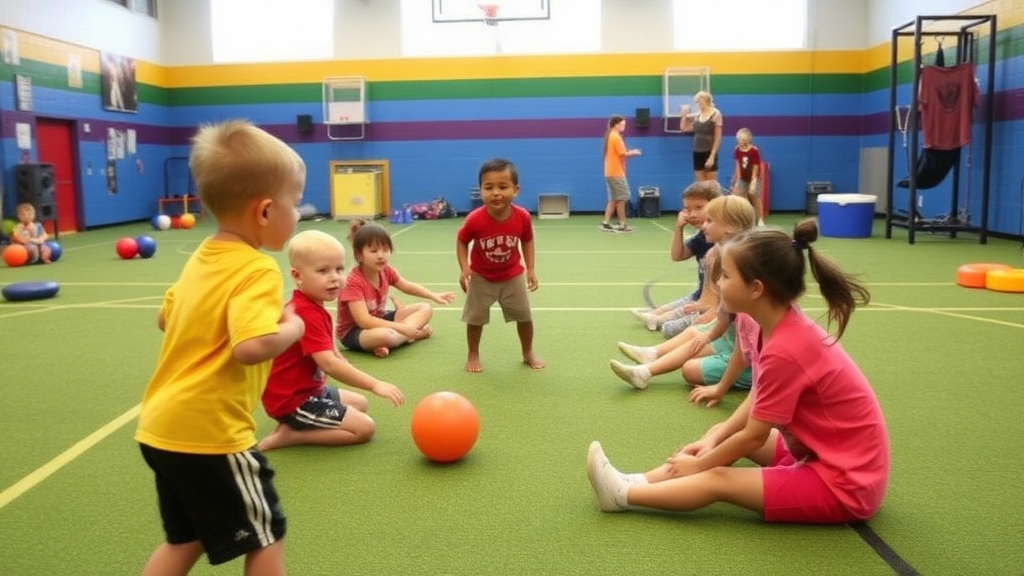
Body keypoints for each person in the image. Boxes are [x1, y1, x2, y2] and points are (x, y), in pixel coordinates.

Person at [587, 219, 889, 526]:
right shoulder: (775, 326)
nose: (718, 284)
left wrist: (701, 464)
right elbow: (761, 396)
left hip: (845, 484)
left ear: (756, 288)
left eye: (726, 276)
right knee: (718, 439)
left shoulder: (788, 347)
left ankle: (622, 496)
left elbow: (754, 438)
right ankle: (637, 480)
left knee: (717, 477)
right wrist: (716, 436)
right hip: (818, 452)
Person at [135, 119, 306, 575]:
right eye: (296, 202)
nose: (300, 212)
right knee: (267, 533)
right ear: (266, 212)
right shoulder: (257, 269)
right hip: (209, 433)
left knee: (185, 538)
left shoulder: (202, 257)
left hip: (159, 428)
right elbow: (251, 347)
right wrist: (293, 326)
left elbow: (164, 317)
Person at [260, 230, 406, 452]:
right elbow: (329, 363)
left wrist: (347, 367)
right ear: (297, 276)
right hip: (293, 402)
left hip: (311, 390)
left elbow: (332, 352)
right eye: (322, 271)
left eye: (339, 269)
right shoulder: (304, 313)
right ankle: (293, 434)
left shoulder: (313, 307)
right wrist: (375, 384)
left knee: (360, 403)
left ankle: (301, 425)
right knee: (364, 429)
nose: (334, 277)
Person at [612, 196, 756, 389]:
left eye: (710, 221)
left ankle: (650, 364)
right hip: (731, 337)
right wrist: (709, 332)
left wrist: (720, 388)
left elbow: (742, 340)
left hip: (745, 349)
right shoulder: (718, 254)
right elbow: (721, 310)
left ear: (730, 227)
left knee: (690, 368)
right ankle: (645, 367)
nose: (704, 225)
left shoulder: (743, 266)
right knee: (694, 337)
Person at [457, 157, 544, 372]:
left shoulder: (522, 217)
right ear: (481, 190)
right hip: (481, 277)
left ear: (516, 190)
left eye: (503, 186)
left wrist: (531, 269)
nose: (495, 192)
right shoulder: (475, 219)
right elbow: (461, 241)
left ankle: (527, 352)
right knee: (475, 319)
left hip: (512, 275)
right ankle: (473, 353)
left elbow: (527, 240)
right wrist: (464, 268)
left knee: (524, 317)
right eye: (489, 187)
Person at [336, 220, 456, 358]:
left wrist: (433, 295)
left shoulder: (386, 271)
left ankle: (393, 340)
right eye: (373, 251)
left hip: (380, 319)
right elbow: (364, 321)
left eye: (385, 249)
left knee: (425, 308)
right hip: (355, 332)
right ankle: (411, 336)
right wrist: (402, 328)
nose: (381, 255)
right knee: (385, 335)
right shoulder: (353, 282)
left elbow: (407, 286)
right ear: (359, 255)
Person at [630, 181, 720, 334]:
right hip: (700, 295)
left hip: (716, 302)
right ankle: (655, 317)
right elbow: (677, 255)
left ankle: (657, 320)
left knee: (669, 329)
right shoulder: (702, 237)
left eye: (699, 207)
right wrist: (678, 228)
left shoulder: (721, 240)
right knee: (666, 310)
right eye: (687, 209)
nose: (692, 214)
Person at [600, 115, 642, 233]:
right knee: (622, 198)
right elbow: (623, 154)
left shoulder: (611, 136)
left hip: (610, 172)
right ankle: (622, 224)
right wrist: (634, 152)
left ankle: (606, 223)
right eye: (622, 124)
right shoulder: (616, 137)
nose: (624, 127)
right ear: (616, 124)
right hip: (616, 173)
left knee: (613, 199)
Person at [680, 90, 723, 183]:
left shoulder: (716, 114)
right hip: (698, 152)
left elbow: (718, 137)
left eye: (698, 102)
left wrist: (712, 156)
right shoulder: (698, 115)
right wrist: (684, 115)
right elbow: (684, 128)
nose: (698, 105)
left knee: (710, 185)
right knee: (700, 185)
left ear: (704, 100)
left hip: (709, 151)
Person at [730, 127, 765, 226]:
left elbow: (755, 166)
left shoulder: (754, 151)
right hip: (742, 178)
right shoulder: (737, 149)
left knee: (755, 198)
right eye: (738, 140)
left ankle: (760, 221)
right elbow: (737, 165)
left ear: (747, 140)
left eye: (741, 140)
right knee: (736, 196)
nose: (739, 142)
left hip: (754, 178)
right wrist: (736, 178)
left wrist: (753, 181)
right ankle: (742, 220)